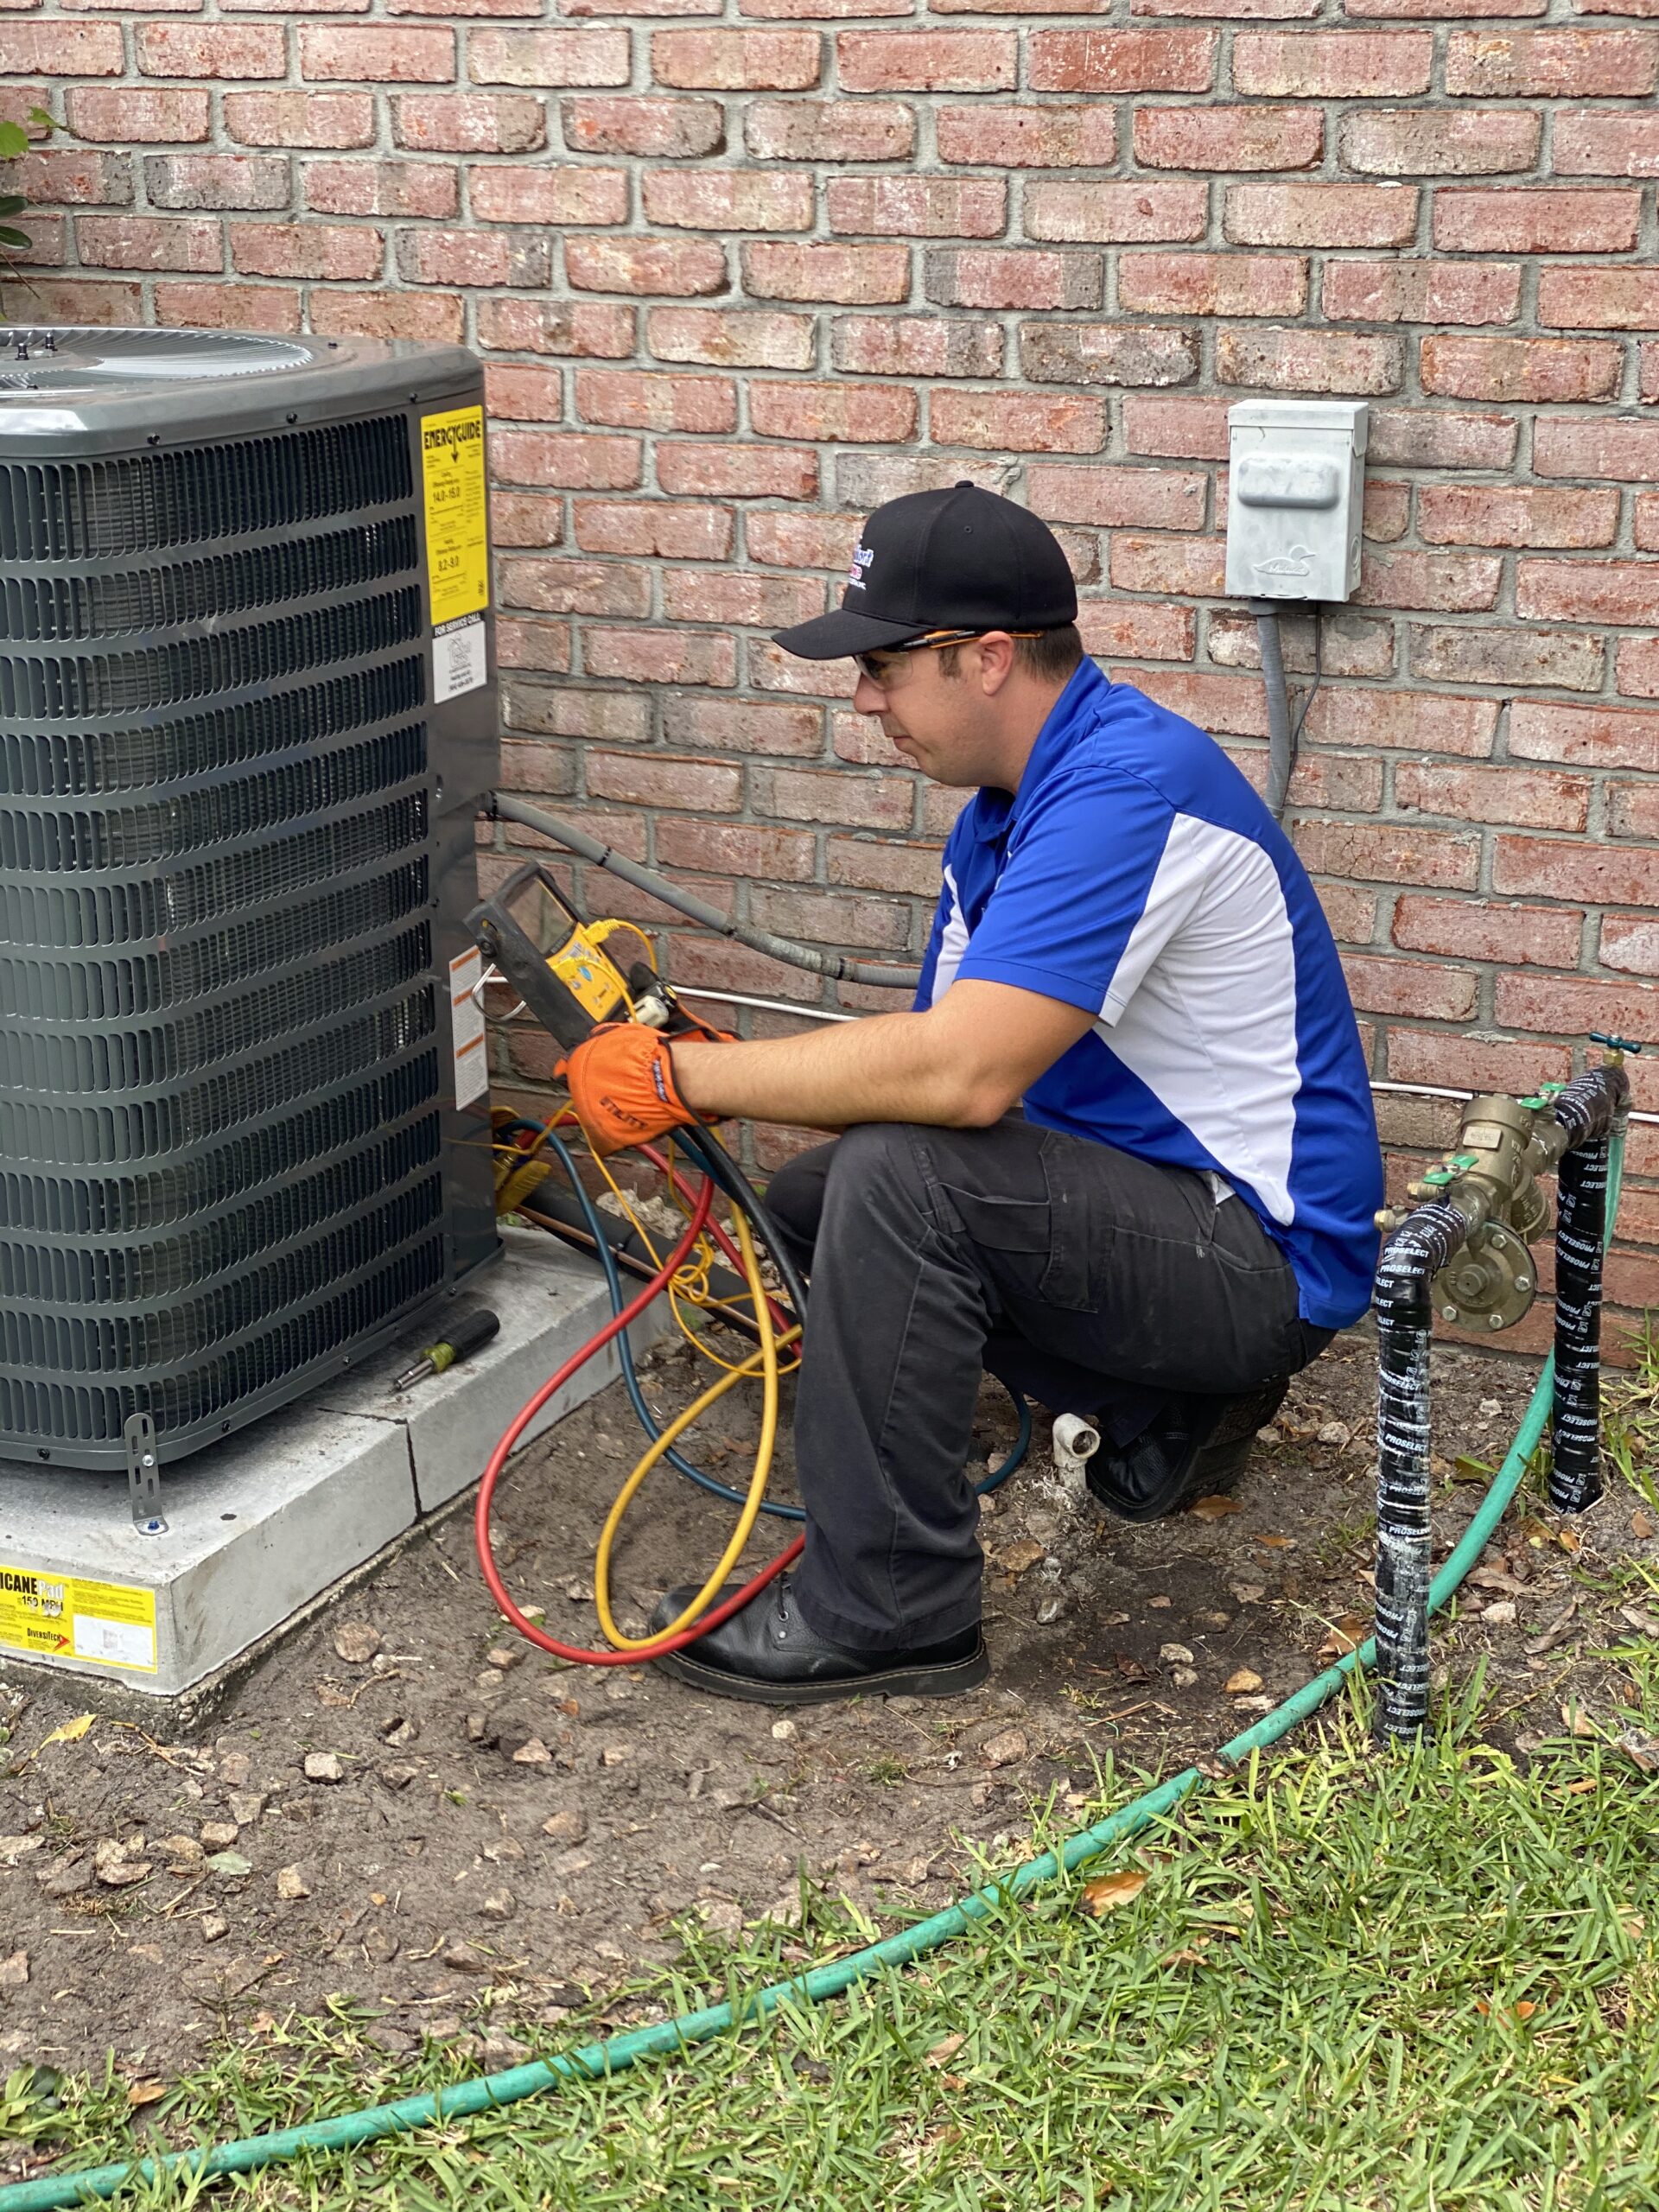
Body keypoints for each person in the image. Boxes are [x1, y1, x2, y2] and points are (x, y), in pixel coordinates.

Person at [559, 481, 1384, 1706]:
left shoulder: (1124, 790)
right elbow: (943, 1065)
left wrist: (685, 1079)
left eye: (885, 666)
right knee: (818, 1196)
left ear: (988, 657)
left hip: (1255, 1254)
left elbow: (958, 1076)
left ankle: (890, 1606)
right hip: (1155, 1214)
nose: (865, 699)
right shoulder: (1005, 815)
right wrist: (716, 1070)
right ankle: (1158, 1411)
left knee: (900, 1183)